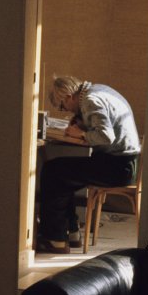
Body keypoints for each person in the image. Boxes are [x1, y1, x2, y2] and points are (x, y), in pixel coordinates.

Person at [37, 76, 141, 253]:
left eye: (62, 107)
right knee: (63, 174)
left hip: (117, 167)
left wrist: (81, 135)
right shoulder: (98, 90)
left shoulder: (91, 100)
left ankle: (56, 239)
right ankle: (71, 234)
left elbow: (106, 136)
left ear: (69, 96)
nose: (66, 111)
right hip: (123, 162)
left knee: (53, 170)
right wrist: (81, 123)